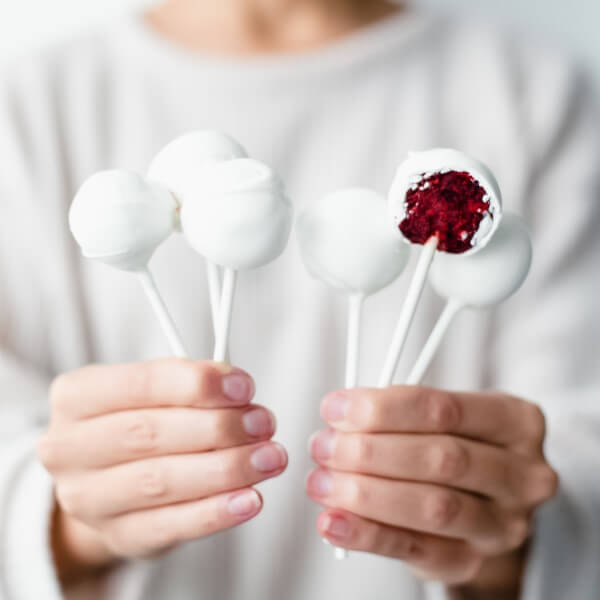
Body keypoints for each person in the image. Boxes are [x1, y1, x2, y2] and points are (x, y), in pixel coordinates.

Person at [0, 0, 598, 598]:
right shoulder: (28, 112)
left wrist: (514, 542)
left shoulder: (537, 101)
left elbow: (580, 450)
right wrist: (61, 521)